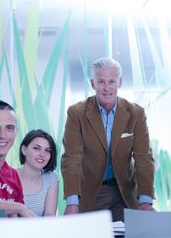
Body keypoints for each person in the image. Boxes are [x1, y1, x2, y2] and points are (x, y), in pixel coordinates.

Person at [61, 57, 155, 222]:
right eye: (101, 82)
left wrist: (145, 201)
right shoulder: (76, 113)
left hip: (125, 191)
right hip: (91, 192)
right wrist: (72, 202)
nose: (106, 88)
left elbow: (143, 158)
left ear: (119, 82)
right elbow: (71, 158)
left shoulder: (136, 113)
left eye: (111, 81)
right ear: (93, 83)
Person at [17, 129, 59, 216]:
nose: (42, 154)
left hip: (40, 230)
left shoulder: (51, 178)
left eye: (47, 150)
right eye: (36, 148)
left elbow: (49, 219)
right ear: (24, 150)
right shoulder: (7, 176)